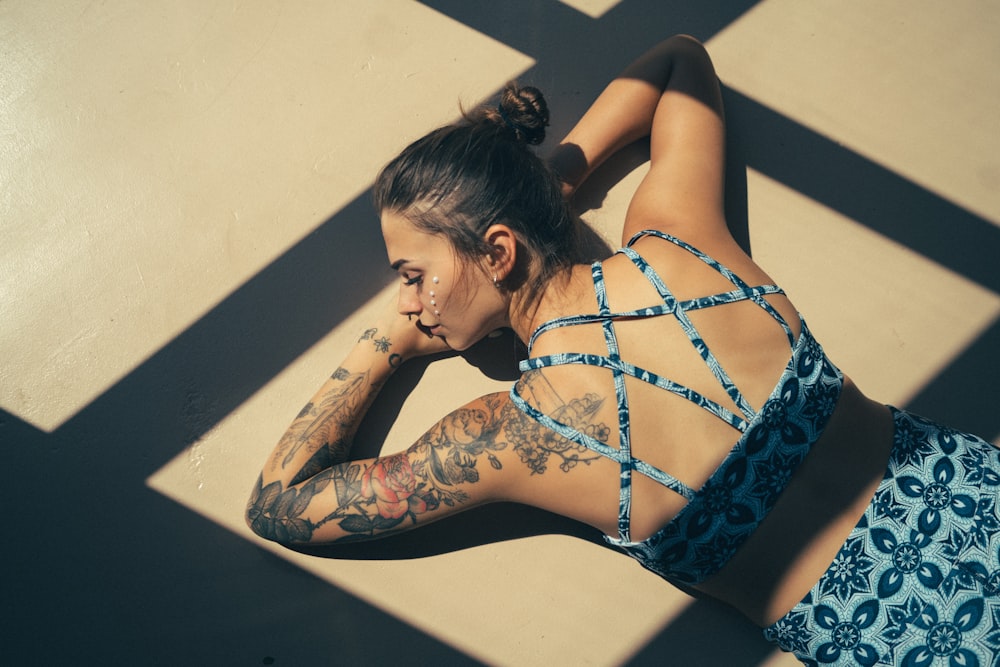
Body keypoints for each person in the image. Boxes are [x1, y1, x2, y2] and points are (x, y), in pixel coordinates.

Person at [246, 35, 1000, 665]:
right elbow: (679, 65)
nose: (408, 301)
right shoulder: (679, 242)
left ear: (498, 251)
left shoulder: (514, 437)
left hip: (910, 640)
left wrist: (386, 345)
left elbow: (279, 503)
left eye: (413, 276)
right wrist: (554, 182)